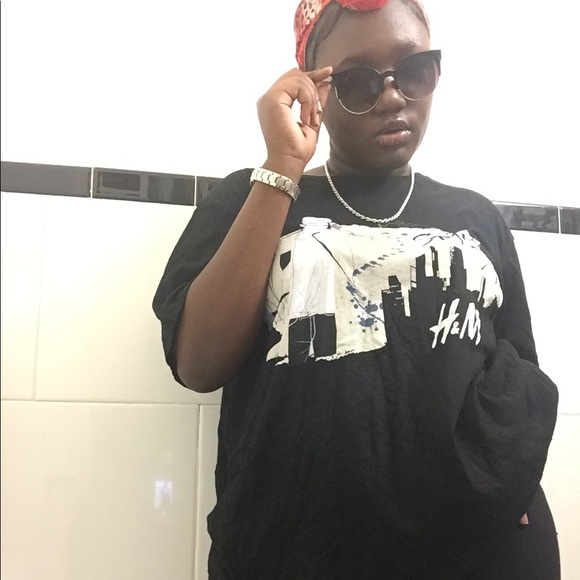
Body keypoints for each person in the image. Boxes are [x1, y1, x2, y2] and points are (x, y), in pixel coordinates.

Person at [153, 0, 560, 577]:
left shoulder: (476, 216)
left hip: (477, 555)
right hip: (292, 553)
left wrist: (514, 474)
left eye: (414, 70)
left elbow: (519, 370)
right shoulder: (251, 196)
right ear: (313, 89)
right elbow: (199, 363)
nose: (392, 97)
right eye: (359, 81)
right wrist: (282, 167)